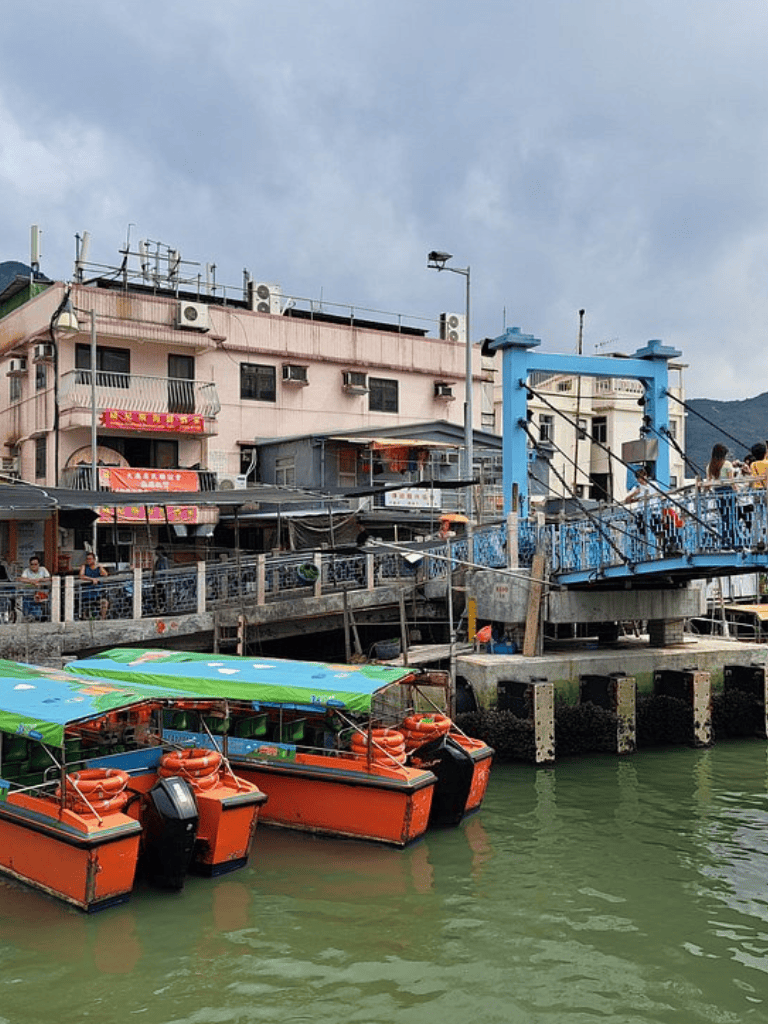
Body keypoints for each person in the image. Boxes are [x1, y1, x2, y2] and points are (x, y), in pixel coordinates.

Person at [706, 443, 737, 547]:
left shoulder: (710, 466)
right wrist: (736, 490)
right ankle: (732, 540)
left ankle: (725, 540)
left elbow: (709, 482)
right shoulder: (727, 464)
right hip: (728, 491)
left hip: (717, 492)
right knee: (731, 516)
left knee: (724, 516)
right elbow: (731, 480)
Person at [19, 555, 50, 622]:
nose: (34, 566)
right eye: (32, 564)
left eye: (35, 564)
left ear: (39, 564)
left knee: (38, 607)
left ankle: (38, 617)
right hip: (28, 593)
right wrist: (32, 582)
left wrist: (39, 579)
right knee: (26, 604)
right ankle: (27, 617)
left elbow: (48, 578)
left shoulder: (43, 569)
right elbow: (22, 579)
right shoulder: (27, 570)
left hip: (40, 593)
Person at [79, 551, 108, 619]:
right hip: (87, 593)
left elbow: (105, 575)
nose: (88, 560)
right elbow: (81, 576)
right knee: (86, 606)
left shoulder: (98, 567)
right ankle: (84, 617)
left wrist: (100, 567)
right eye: (87, 559)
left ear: (94, 559)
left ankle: (102, 619)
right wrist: (92, 579)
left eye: (90, 559)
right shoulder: (84, 567)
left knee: (105, 603)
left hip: (98, 593)